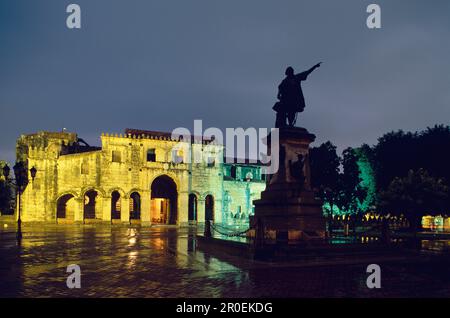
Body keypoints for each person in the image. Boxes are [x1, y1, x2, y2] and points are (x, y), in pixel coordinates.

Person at [274, 62, 322, 127]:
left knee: (292, 111)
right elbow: (280, 87)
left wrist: (315, 67)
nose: (290, 73)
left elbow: (307, 72)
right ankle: (285, 124)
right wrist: (278, 94)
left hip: (294, 99)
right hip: (286, 99)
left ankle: (290, 124)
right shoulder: (285, 81)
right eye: (289, 72)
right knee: (285, 111)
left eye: (291, 72)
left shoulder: (296, 77)